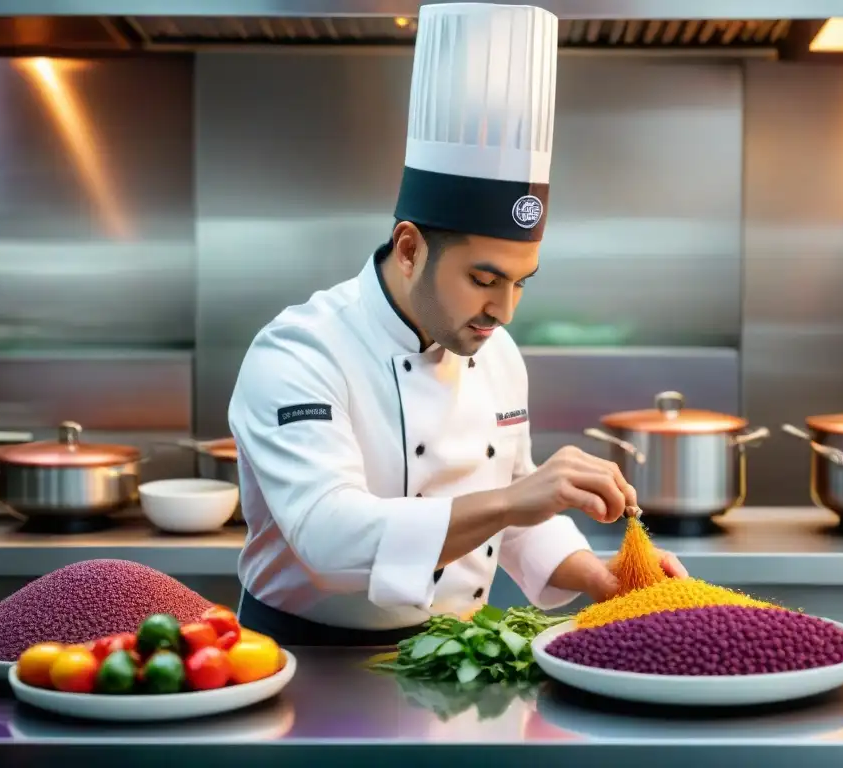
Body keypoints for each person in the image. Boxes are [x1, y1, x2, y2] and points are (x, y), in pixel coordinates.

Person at [227, 2, 686, 647]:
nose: (505, 309)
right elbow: (329, 540)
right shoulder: (299, 352)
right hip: (306, 658)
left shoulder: (495, 351)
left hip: (451, 651)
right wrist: (516, 500)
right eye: (483, 278)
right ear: (410, 249)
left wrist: (599, 575)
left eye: (520, 282)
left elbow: (518, 513)